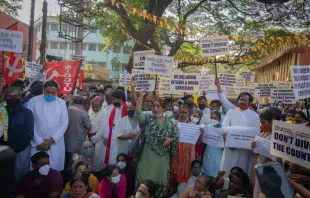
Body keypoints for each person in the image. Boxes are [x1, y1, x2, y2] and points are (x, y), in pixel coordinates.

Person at [135, 90, 178, 198]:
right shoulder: (148, 119)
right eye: (154, 106)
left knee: (161, 183)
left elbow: (176, 136)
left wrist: (170, 140)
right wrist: (140, 96)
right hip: (147, 157)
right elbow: (138, 114)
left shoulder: (171, 122)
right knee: (144, 183)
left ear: (163, 108)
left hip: (162, 159)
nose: (155, 108)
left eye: (158, 106)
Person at [217, 80, 260, 178]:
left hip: (245, 151)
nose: (242, 101)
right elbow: (225, 126)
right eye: (240, 99)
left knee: (242, 174)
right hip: (230, 148)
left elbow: (255, 133)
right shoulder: (231, 111)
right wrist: (230, 140)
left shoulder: (254, 115)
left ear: (249, 102)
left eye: (245, 100)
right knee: (226, 173)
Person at [27, 80, 69, 171]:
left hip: (55, 143)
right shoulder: (33, 101)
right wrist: (39, 141)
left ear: (57, 92)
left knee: (54, 171)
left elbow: (64, 123)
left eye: (53, 93)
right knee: (37, 170)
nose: (50, 95)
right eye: (48, 92)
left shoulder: (61, 103)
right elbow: (29, 123)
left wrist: (51, 140)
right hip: (37, 143)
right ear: (43, 90)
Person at [0, 86, 34, 183]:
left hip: (20, 152)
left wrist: (14, 149)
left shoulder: (27, 113)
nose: (12, 98)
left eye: (15, 96)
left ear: (20, 96)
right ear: (5, 97)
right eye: (9, 96)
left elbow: (28, 134)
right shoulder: (1, 111)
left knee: (19, 178)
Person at [251, 108, 282, 197]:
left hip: (273, 174)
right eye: (260, 122)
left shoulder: (281, 137)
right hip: (261, 170)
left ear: (273, 122)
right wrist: (254, 147)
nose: (261, 125)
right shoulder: (263, 134)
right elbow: (257, 153)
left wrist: (279, 158)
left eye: (263, 123)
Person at [65, 95, 92, 170]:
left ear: (73, 101)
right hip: (78, 141)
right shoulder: (83, 112)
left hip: (65, 140)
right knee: (75, 161)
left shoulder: (67, 109)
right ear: (83, 103)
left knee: (66, 160)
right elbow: (88, 126)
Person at [104, 90, 128, 165]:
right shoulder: (112, 109)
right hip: (113, 138)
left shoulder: (128, 109)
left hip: (123, 139)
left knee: (122, 158)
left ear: (120, 99)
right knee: (112, 157)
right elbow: (108, 123)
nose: (113, 102)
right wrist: (106, 136)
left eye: (114, 100)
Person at [88, 96, 107, 173]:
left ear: (101, 105)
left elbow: (102, 129)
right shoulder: (90, 110)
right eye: (93, 107)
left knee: (97, 156)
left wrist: (95, 138)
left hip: (98, 139)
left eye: (97, 107)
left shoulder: (104, 113)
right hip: (89, 137)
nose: (95, 109)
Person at [203, 111, 223, 180]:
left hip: (218, 154)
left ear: (219, 119)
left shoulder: (222, 129)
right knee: (206, 172)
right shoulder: (208, 127)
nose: (213, 120)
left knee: (215, 173)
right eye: (212, 118)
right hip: (207, 153)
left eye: (215, 118)